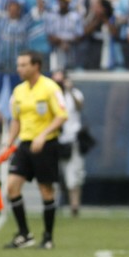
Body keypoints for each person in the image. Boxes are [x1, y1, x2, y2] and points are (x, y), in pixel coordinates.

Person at [1, 50, 67, 250]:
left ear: (36, 66)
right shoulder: (18, 91)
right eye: (18, 65)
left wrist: (42, 135)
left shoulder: (50, 88)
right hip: (25, 144)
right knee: (12, 187)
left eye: (23, 65)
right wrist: (9, 144)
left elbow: (62, 115)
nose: (19, 68)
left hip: (45, 144)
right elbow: (16, 120)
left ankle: (47, 237)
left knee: (45, 190)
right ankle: (24, 234)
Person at [53, 69, 86, 217]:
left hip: (72, 138)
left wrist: (69, 89)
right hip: (55, 138)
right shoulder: (52, 95)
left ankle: (74, 206)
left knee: (74, 173)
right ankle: (54, 203)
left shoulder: (74, 94)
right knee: (55, 173)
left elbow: (80, 106)